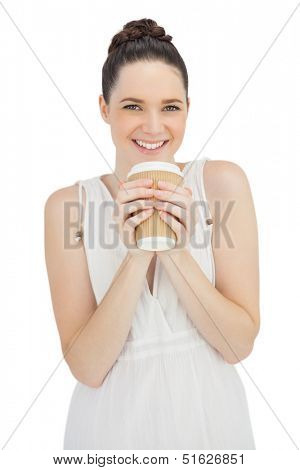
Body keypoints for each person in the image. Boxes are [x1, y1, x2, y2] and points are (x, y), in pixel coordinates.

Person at [44, 18, 260, 450]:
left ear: (187, 108)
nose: (154, 126)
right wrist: (139, 251)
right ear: (104, 108)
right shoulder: (67, 207)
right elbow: (87, 367)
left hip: (211, 426)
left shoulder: (222, 184)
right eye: (132, 106)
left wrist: (176, 251)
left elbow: (237, 345)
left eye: (170, 107)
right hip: (108, 436)